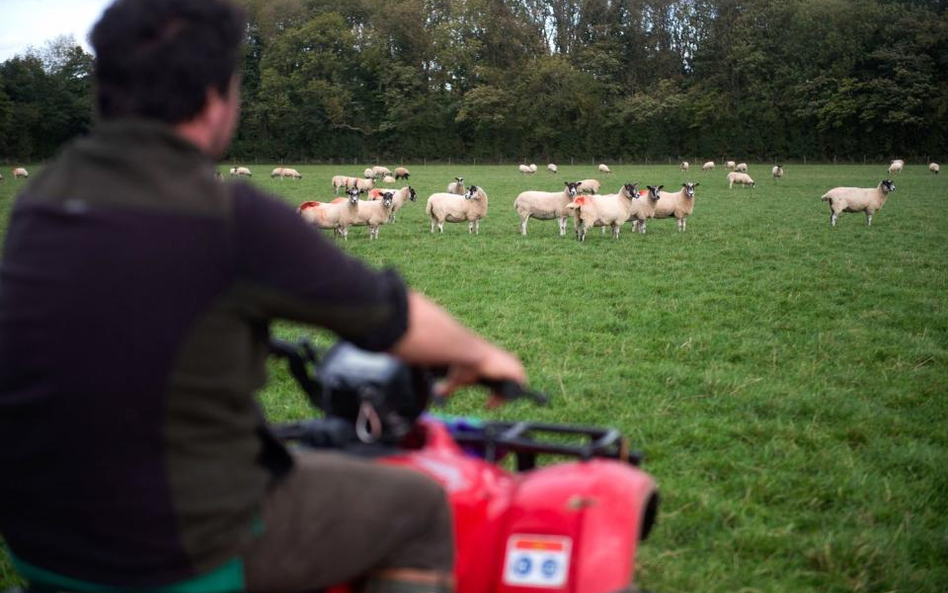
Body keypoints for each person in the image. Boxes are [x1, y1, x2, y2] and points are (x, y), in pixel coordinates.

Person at [0, 1, 525, 592]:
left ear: (102, 88)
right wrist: (485, 356)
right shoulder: (228, 217)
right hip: (174, 548)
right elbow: (391, 316)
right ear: (217, 96)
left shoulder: (39, 205)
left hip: (40, 539)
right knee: (420, 507)